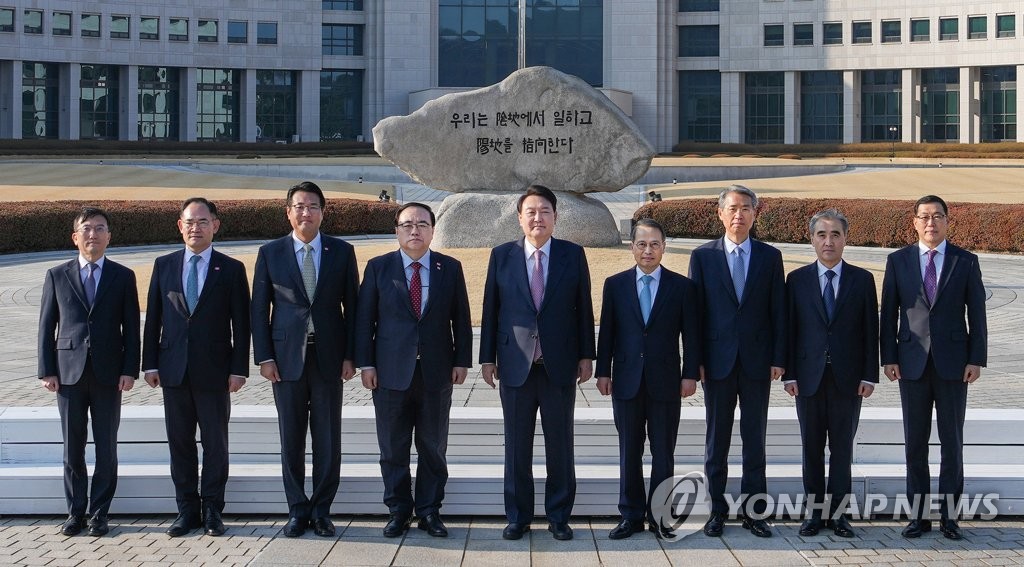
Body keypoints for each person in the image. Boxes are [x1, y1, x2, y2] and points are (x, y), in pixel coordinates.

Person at [479, 184, 596, 541]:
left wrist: (586, 355)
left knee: (560, 445)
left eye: (545, 211)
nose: (537, 218)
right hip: (515, 366)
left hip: (559, 367)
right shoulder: (502, 255)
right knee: (517, 446)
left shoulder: (572, 255)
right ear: (519, 218)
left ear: (556, 217)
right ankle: (518, 516)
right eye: (530, 211)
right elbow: (491, 310)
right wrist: (486, 358)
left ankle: (559, 516)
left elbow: (584, 309)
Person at [355, 202, 472, 538]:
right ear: (397, 230)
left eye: (422, 224)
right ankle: (398, 510)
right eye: (407, 224)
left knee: (433, 446)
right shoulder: (379, 267)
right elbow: (365, 320)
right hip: (389, 373)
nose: (415, 230)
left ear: (433, 230)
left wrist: (462, 359)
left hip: (437, 372)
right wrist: (366, 363)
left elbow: (460, 318)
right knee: (392, 447)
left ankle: (430, 511)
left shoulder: (449, 268)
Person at [251, 181, 360, 538]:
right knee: (291, 438)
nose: (306, 212)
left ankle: (322, 510)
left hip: (329, 357)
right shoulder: (270, 253)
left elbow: (354, 309)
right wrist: (264, 357)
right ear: (288, 211)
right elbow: (259, 310)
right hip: (285, 360)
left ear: (322, 212)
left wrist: (351, 356)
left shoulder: (342, 252)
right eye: (299, 206)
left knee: (329, 438)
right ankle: (297, 509)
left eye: (313, 206)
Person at [142, 198, 251, 538]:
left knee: (216, 444)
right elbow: (153, 320)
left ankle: (213, 511)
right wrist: (149, 364)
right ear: (180, 225)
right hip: (173, 370)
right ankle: (186, 511)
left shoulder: (231, 269)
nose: (196, 227)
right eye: (189, 221)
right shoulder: (164, 265)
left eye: (203, 221)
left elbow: (242, 324)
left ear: (215, 225)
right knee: (180, 443)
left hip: (215, 372)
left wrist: (239, 369)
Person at [880, 195, 987, 540]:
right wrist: (889, 357)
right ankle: (919, 516)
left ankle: (950, 518)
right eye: (924, 217)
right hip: (910, 364)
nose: (931, 222)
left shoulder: (965, 261)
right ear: (914, 222)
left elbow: (978, 315)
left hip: (955, 366)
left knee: (952, 442)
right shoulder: (897, 261)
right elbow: (889, 314)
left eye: (938, 216)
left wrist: (976, 358)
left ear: (947, 221)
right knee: (915, 443)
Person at [688, 185, 786, 538]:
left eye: (746, 208)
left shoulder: (770, 256)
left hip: (759, 362)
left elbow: (779, 311)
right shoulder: (703, 257)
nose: (739, 215)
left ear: (755, 214)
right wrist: (694, 361)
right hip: (717, 362)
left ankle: (754, 512)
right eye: (732, 208)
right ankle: (716, 510)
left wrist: (779, 357)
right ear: (720, 213)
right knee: (717, 440)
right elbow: (694, 315)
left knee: (755, 438)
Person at [595, 218, 701, 539]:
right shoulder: (614, 285)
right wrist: (602, 371)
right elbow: (608, 333)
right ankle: (630, 516)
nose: (648, 250)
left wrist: (689, 375)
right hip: (625, 380)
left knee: (663, 451)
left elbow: (691, 337)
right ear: (632, 247)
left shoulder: (682, 287)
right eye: (641, 244)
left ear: (664, 247)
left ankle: (660, 516)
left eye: (655, 244)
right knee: (629, 450)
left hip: (666, 381)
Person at [37, 207, 140, 537]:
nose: (93, 234)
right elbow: (46, 326)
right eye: (87, 229)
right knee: (73, 447)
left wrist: (130, 370)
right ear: (75, 236)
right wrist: (46, 370)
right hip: (68, 374)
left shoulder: (123, 276)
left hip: (110, 374)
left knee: (107, 446)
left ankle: (99, 513)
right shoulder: (56, 274)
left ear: (109, 236)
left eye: (100, 228)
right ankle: (75, 512)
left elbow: (131, 329)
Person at [784, 209, 878, 539]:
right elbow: (789, 331)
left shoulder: (862, 280)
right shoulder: (795, 280)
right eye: (822, 235)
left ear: (845, 239)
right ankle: (814, 514)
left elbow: (871, 330)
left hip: (848, 380)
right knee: (811, 449)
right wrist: (789, 374)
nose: (828, 241)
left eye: (835, 234)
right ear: (811, 239)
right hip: (807, 379)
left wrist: (869, 375)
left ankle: (839, 515)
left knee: (842, 450)